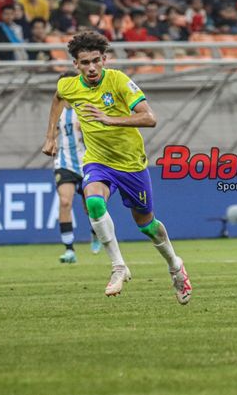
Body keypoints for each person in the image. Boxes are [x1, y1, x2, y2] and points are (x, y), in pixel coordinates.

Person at [41, 31, 192, 302]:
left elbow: (149, 118)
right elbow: (57, 99)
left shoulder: (119, 80)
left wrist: (110, 120)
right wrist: (50, 136)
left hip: (131, 165)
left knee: (146, 225)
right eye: (84, 62)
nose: (91, 68)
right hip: (98, 161)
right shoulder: (69, 86)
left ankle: (175, 265)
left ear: (104, 59)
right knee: (94, 204)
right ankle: (118, 267)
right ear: (75, 65)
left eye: (95, 61)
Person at [52, 98, 101, 263]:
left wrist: (87, 130)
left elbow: (99, 132)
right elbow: (52, 131)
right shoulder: (57, 111)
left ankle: (95, 233)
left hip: (86, 162)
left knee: (90, 206)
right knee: (65, 202)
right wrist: (50, 140)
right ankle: (69, 250)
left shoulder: (84, 108)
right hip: (64, 164)